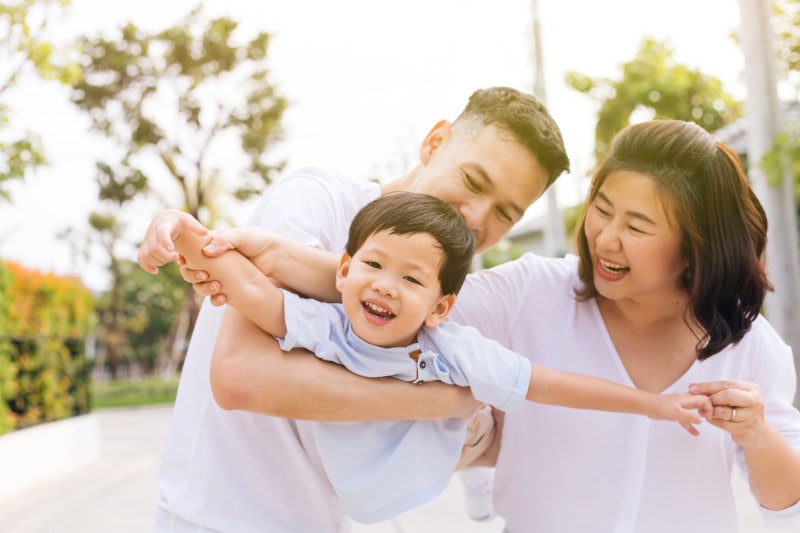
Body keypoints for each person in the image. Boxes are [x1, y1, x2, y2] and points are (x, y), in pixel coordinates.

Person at [184, 120, 800, 532]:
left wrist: (755, 434)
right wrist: (267, 257)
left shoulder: (751, 351)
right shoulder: (531, 291)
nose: (606, 238)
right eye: (601, 211)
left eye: (637, 227)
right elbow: (401, 300)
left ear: (694, 247)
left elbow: (781, 495)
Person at [138, 86, 572, 532]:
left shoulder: (438, 292)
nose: (478, 217)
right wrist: (437, 402)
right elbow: (239, 374)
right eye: (474, 182)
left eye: (506, 213)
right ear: (434, 142)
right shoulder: (317, 201)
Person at [165, 191, 712, 524]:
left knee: (483, 393)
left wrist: (651, 405)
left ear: (440, 305)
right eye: (374, 266)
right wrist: (179, 234)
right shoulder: (327, 326)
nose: (385, 287)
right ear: (343, 270)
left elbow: (551, 383)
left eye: (411, 278)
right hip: (363, 489)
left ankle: (476, 449)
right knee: (469, 393)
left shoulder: (450, 344)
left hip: (430, 463)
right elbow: (252, 292)